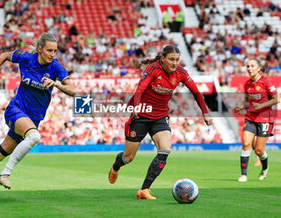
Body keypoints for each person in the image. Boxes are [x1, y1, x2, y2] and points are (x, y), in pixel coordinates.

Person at [0, 32, 76, 202]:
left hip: (32, 119)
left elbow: (73, 91)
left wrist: (56, 83)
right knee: (35, 136)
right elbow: (4, 56)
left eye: (55, 51)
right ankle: (5, 174)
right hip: (15, 110)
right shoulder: (26, 58)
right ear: (40, 49)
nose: (53, 54)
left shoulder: (56, 67)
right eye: (49, 50)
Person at [108, 45, 213, 200]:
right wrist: (136, 105)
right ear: (163, 59)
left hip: (160, 117)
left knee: (165, 150)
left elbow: (196, 93)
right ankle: (116, 166)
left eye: (177, 60)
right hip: (141, 116)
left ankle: (144, 190)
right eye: (171, 59)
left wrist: (205, 112)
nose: (175, 63)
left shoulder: (181, 73)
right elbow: (140, 89)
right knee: (128, 157)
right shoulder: (153, 69)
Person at [234, 58, 279, 182]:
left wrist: (262, 106)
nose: (249, 69)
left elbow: (277, 99)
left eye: (252, 66)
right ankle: (243, 175)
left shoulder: (266, 81)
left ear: (259, 68)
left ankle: (265, 167)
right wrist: (241, 107)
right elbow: (247, 101)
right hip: (250, 117)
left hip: (265, 118)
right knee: (246, 144)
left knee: (259, 150)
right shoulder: (247, 84)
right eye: (248, 66)